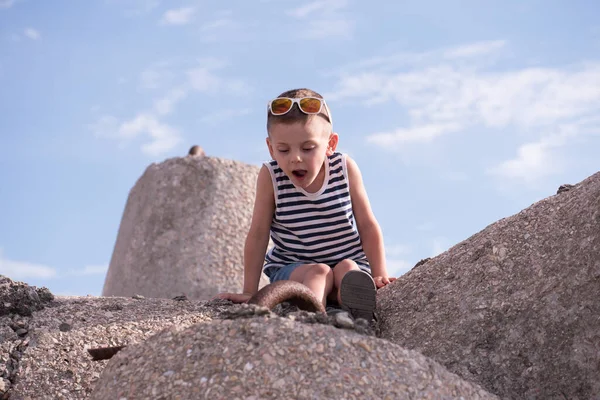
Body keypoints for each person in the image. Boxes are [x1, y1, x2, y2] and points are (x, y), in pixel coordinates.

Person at [217, 88, 395, 321]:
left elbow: (367, 224)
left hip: (348, 260)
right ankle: (314, 314)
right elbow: (258, 233)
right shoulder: (271, 177)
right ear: (271, 148)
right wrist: (250, 291)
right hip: (295, 267)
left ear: (330, 144)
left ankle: (350, 303)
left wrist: (380, 274)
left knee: (348, 269)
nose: (295, 158)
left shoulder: (344, 168)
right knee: (318, 271)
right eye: (283, 150)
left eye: (308, 148)